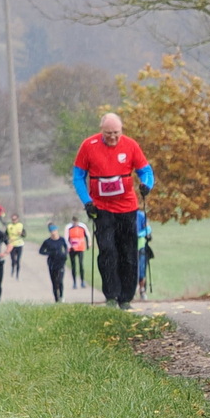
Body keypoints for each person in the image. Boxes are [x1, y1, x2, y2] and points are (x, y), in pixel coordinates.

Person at [71, 112, 154, 309]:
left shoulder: (131, 145)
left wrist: (147, 184)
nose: (113, 137)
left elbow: (146, 171)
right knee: (108, 251)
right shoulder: (88, 146)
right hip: (101, 208)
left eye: (116, 133)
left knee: (128, 253)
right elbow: (78, 177)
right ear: (102, 130)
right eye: (108, 133)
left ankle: (126, 298)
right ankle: (111, 296)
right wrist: (87, 201)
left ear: (121, 130)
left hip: (127, 208)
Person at [39, 223, 69, 301]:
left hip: (60, 262)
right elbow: (41, 251)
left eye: (55, 231)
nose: (54, 233)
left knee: (60, 281)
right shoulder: (47, 241)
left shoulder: (62, 240)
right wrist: (50, 253)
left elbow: (66, 248)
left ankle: (61, 296)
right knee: (54, 282)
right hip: (52, 263)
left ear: (57, 231)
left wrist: (64, 254)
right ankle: (56, 299)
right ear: (50, 232)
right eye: (52, 231)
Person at [65, 218, 89, 290]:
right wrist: (69, 246)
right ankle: (74, 282)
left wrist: (88, 244)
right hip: (72, 249)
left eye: (76, 222)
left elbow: (87, 235)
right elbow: (66, 238)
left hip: (80, 248)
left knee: (81, 264)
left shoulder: (82, 226)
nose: (75, 224)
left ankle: (82, 281)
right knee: (73, 266)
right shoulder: (68, 227)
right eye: (74, 222)